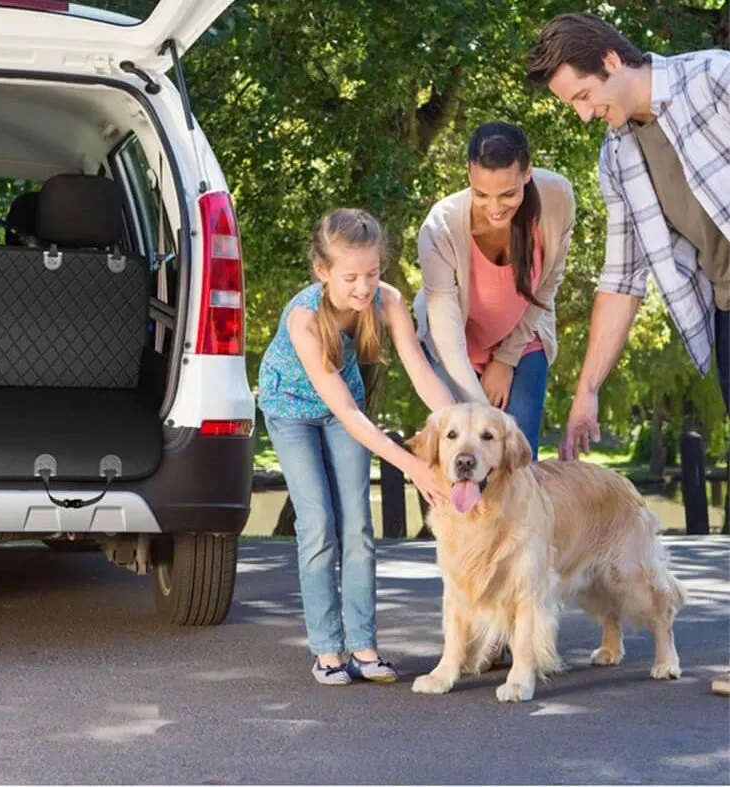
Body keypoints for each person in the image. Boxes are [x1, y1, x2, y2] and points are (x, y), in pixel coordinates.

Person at [257, 208, 454, 686]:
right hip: (291, 410)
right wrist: (415, 468)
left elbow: (419, 368)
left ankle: (364, 647)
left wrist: (457, 427)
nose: (363, 288)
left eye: (372, 273)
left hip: (345, 406)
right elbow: (346, 414)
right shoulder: (305, 318)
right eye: (350, 277)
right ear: (322, 272)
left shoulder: (386, 301)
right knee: (319, 524)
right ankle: (327, 650)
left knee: (358, 524)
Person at [527, 11, 730, 463]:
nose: (582, 115)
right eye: (571, 105)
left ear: (612, 61)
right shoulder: (617, 155)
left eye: (584, 96)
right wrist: (586, 392)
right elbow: (621, 280)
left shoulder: (714, 78)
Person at [413, 122, 576, 455]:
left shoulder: (556, 197)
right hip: (455, 349)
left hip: (523, 335)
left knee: (517, 456)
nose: (495, 207)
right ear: (469, 177)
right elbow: (446, 334)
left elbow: (546, 288)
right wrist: (482, 414)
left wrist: (505, 359)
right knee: (463, 453)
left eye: (508, 194)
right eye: (481, 194)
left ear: (527, 172)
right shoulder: (440, 227)